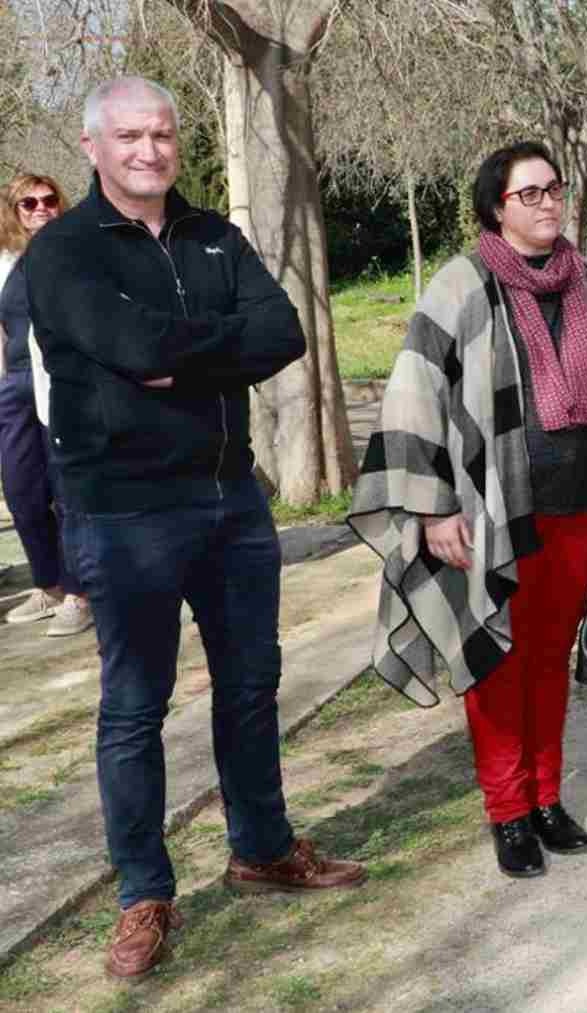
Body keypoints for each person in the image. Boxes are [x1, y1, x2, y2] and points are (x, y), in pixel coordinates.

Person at [27, 76, 365, 981]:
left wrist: (182, 358)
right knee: (135, 708)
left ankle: (261, 847)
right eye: (130, 136)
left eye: (164, 134)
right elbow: (128, 347)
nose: (150, 150)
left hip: (231, 500)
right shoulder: (60, 254)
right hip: (125, 512)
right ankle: (145, 890)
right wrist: (212, 348)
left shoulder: (216, 234)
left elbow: (283, 331)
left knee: (252, 683)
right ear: (93, 146)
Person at [349, 141, 587, 880]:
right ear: (496, 207)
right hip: (493, 511)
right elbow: (414, 394)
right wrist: (432, 507)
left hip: (578, 506)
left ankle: (548, 798)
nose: (548, 203)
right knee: (494, 660)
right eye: (529, 194)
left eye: (554, 189)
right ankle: (507, 810)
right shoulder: (462, 286)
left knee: (550, 657)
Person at [0, 171, 92, 637]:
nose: (40, 209)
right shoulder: (6, 261)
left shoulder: (79, 250)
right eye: (28, 203)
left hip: (61, 384)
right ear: (14, 212)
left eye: (48, 200)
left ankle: (79, 594)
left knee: (67, 489)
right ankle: (49, 584)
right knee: (21, 489)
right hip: (14, 385)